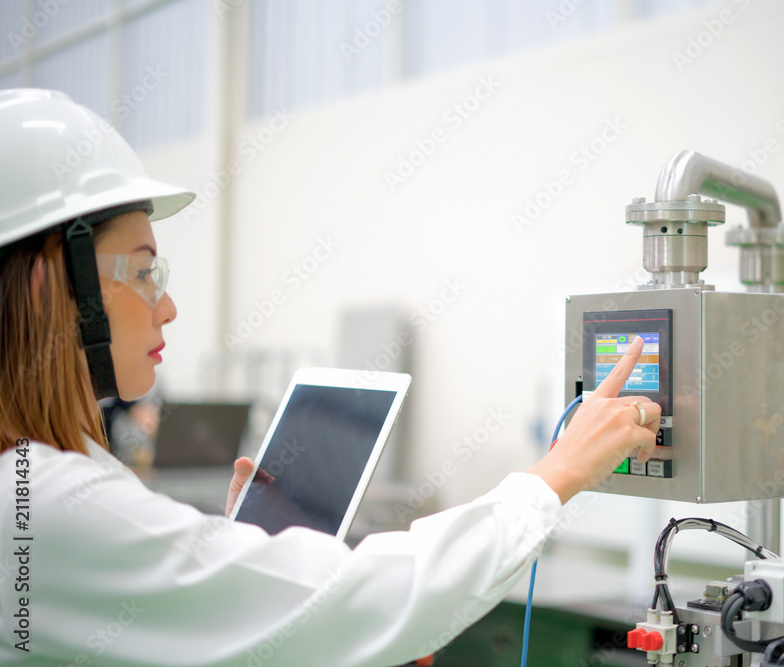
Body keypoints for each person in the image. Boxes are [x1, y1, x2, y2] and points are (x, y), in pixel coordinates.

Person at [0, 89, 660, 666]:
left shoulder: (45, 481)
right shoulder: (42, 505)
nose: (166, 304)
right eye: (144, 272)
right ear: (50, 284)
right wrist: (557, 474)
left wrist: (228, 567)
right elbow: (360, 595)